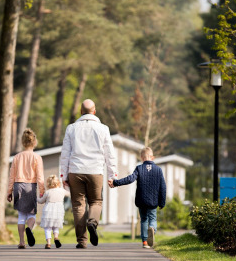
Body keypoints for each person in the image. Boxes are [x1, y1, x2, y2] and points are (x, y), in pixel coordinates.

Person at [60, 99, 118, 249]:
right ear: (95, 111)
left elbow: (65, 154)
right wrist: (112, 175)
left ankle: (82, 241)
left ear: (80, 111)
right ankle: (92, 221)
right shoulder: (103, 129)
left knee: (78, 205)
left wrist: (63, 176)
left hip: (76, 170)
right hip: (95, 171)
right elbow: (110, 154)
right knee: (96, 201)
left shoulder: (71, 128)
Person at [108, 147, 166, 248]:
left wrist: (116, 182)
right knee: (152, 219)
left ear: (141, 158)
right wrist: (162, 202)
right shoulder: (158, 170)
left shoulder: (139, 168)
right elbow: (163, 187)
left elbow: (130, 179)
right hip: (153, 201)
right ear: (153, 157)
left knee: (143, 219)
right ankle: (152, 228)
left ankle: (145, 242)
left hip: (141, 200)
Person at [7, 128, 45, 249]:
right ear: (34, 142)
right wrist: (42, 190)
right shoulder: (37, 157)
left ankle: (22, 242)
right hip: (30, 186)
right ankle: (30, 229)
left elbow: (11, 176)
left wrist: (9, 191)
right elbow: (40, 176)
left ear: (23, 143)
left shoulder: (17, 157)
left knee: (21, 216)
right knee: (31, 214)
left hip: (18, 186)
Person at [37, 175, 70, 249]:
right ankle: (56, 237)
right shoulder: (62, 191)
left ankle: (48, 243)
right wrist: (66, 186)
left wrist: (38, 198)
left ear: (48, 184)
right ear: (58, 183)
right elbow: (69, 193)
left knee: (47, 228)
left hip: (48, 212)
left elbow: (41, 201)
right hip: (58, 212)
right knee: (56, 227)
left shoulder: (48, 192)